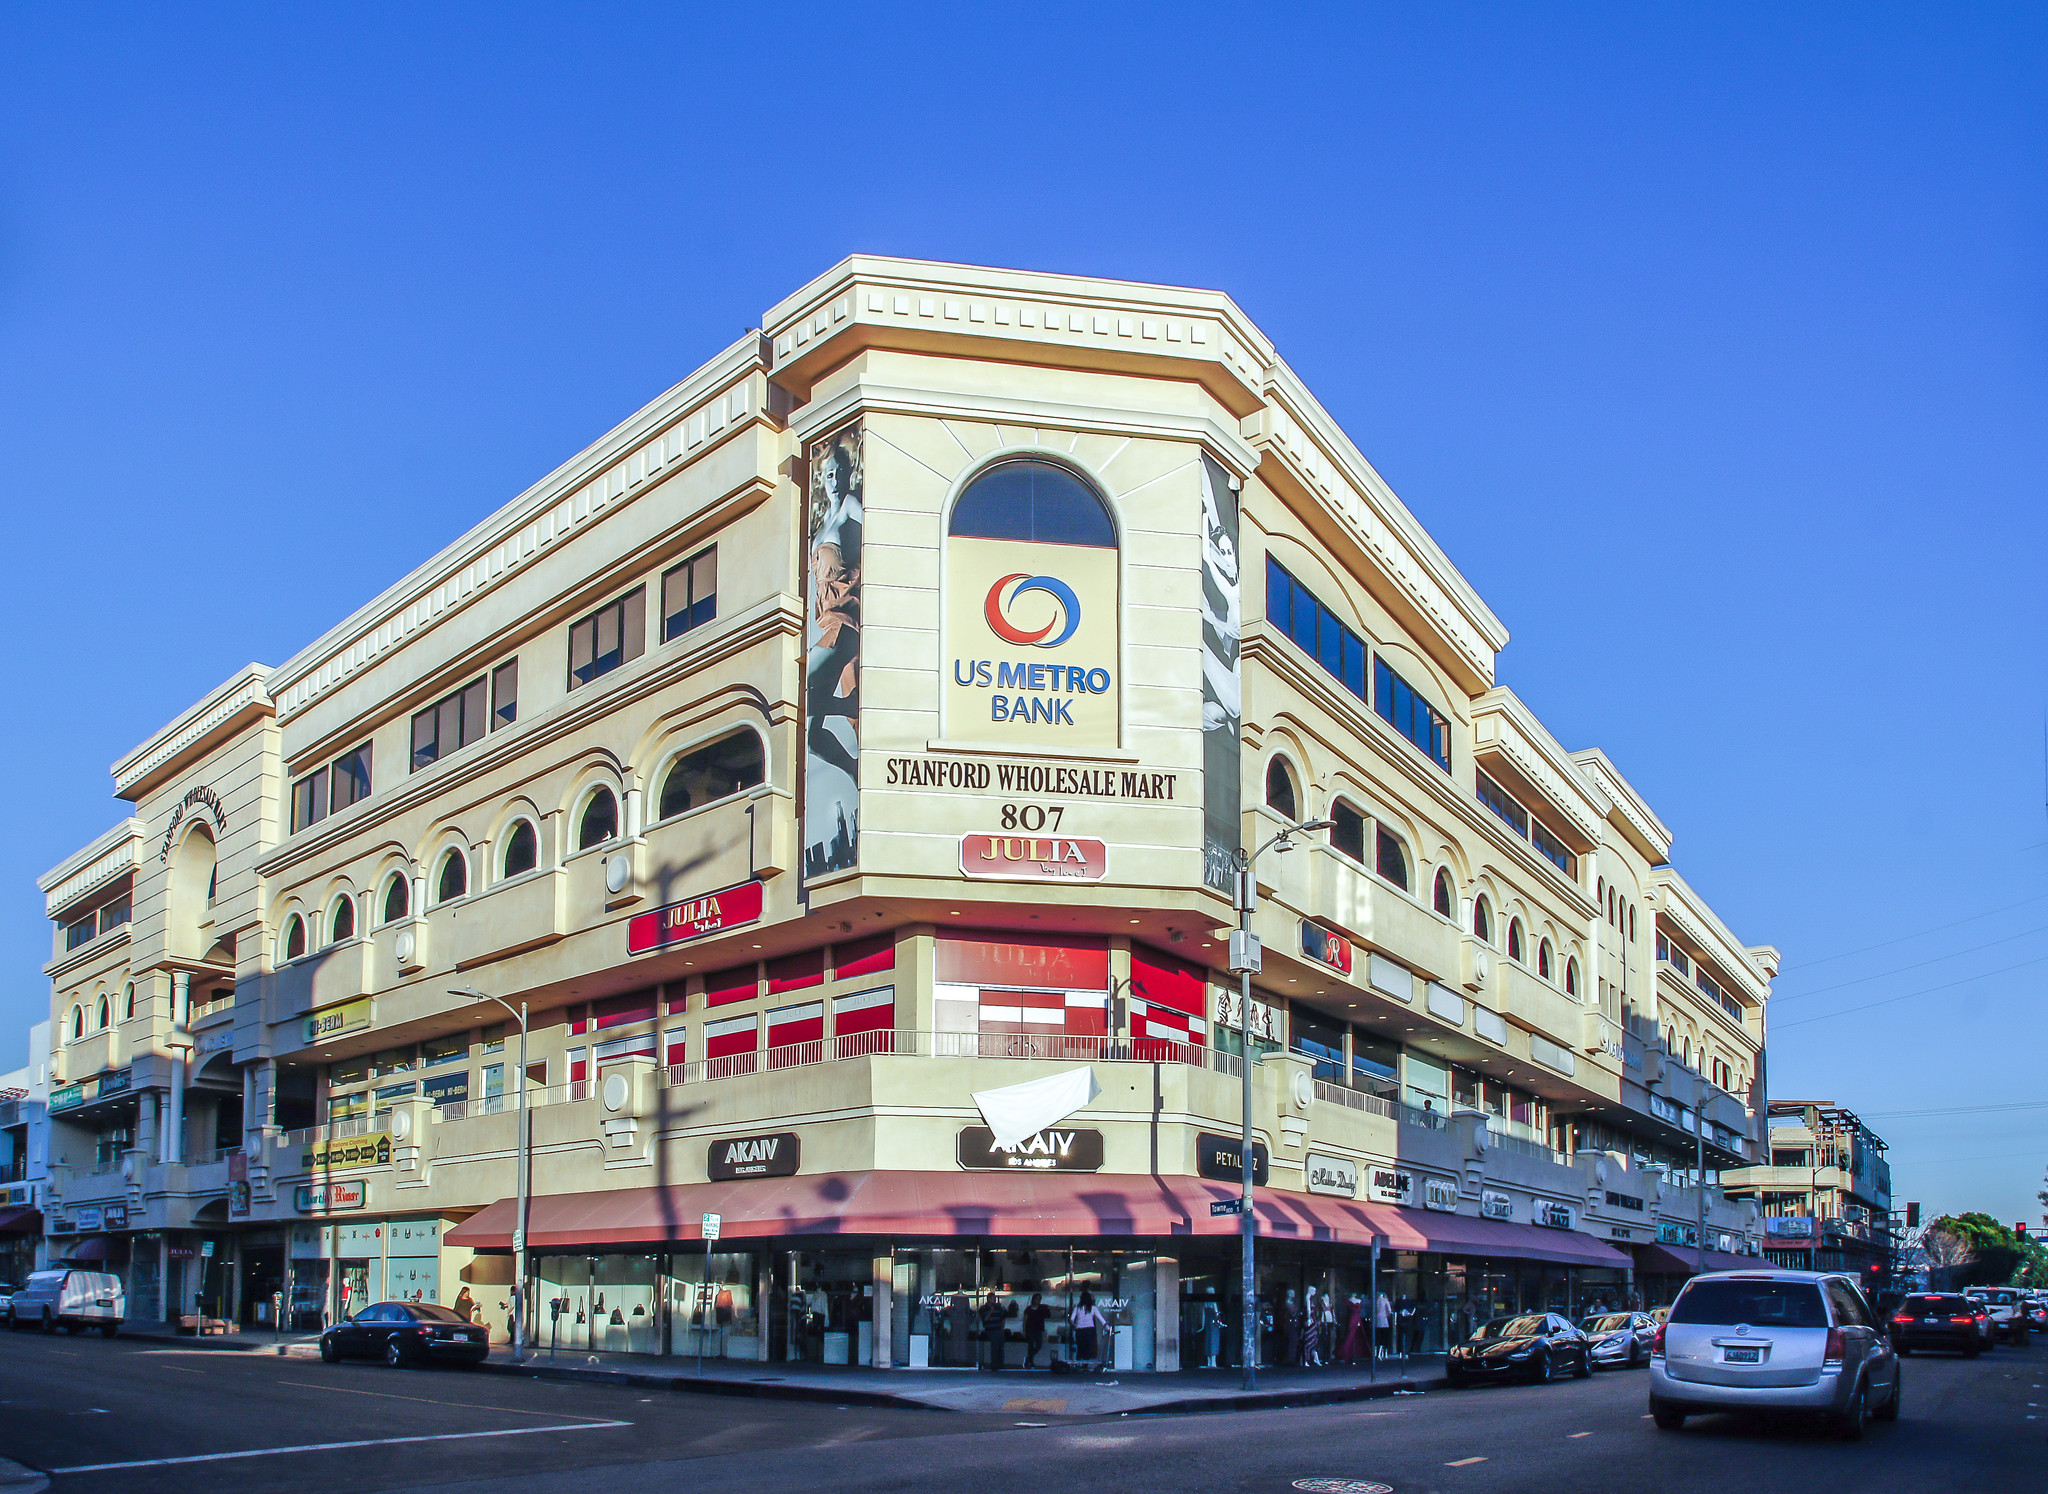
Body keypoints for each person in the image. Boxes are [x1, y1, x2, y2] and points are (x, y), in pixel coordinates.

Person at [1071, 1291, 1105, 1370]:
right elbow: (1101, 1319)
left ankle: (1078, 1364)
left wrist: (1074, 1325)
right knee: (1088, 1348)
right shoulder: (1093, 1308)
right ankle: (1085, 1365)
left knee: (1080, 1348)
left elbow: (1072, 1319)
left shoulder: (1077, 1308)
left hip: (1080, 1330)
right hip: (1090, 1330)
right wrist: (1107, 1326)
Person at [980, 1291, 1007, 1372]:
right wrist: (991, 1311)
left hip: (999, 1329)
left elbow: (1003, 1317)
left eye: (995, 1299)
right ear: (988, 1299)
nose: (994, 1301)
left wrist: (1002, 1328)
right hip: (990, 1330)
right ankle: (994, 1364)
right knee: (995, 1346)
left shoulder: (999, 1308)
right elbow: (985, 1319)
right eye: (992, 1299)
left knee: (1000, 1347)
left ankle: (1000, 1363)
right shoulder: (983, 1309)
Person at [1337, 1293, 1368, 1363]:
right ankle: (1346, 1352)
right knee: (1350, 1336)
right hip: (1352, 1319)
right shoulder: (1349, 1301)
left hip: (1356, 1319)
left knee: (1356, 1336)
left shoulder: (1357, 1301)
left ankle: (1355, 1353)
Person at [1022, 1293, 1049, 1368]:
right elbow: (1025, 1320)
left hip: (1038, 1329)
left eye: (1039, 1299)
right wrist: (1024, 1331)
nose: (1038, 1301)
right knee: (1030, 1345)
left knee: (1039, 1345)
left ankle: (1029, 1358)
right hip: (1030, 1329)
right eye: (1037, 1299)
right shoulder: (1028, 1309)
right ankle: (1030, 1361)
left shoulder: (1042, 1307)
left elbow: (1052, 1308)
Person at [1200, 1301, 1226, 1368]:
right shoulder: (1213, 1303)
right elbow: (1217, 1314)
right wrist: (1220, 1323)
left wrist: (1202, 1326)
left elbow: (1203, 1316)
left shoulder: (1205, 1304)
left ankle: (1209, 1362)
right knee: (1213, 1341)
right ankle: (1213, 1362)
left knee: (1208, 1341)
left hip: (1208, 1324)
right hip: (1213, 1324)